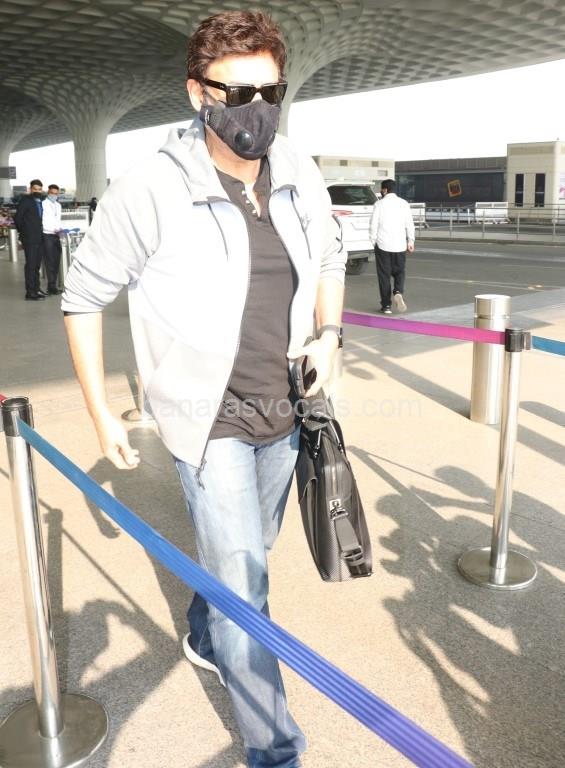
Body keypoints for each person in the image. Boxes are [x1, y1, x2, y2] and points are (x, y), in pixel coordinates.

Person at [61, 10, 345, 768]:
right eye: (237, 93)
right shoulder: (150, 187)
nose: (257, 110)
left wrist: (329, 333)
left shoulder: (296, 168)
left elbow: (329, 255)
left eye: (270, 92)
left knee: (243, 559)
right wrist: (101, 414)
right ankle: (275, 751)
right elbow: (82, 297)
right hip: (207, 418)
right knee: (246, 590)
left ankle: (203, 630)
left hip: (286, 408)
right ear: (198, 94)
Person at [369, 178, 415, 314]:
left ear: (384, 190)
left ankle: (386, 306)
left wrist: (373, 241)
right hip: (400, 245)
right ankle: (398, 291)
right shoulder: (404, 204)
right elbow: (409, 224)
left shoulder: (379, 204)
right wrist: (410, 241)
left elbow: (373, 224)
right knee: (400, 271)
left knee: (384, 276)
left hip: (383, 245)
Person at [13, 178, 46, 300]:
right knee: (31, 265)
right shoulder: (25, 201)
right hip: (30, 239)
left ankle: (36, 289)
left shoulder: (41, 201)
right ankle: (30, 293)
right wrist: (24, 232)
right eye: (35, 189)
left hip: (40, 237)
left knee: (37, 265)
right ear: (30, 189)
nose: (37, 191)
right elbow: (18, 218)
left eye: (39, 189)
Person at [41, 184, 63, 295]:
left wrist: (60, 230)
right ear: (48, 193)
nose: (54, 195)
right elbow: (43, 221)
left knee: (56, 261)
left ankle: (53, 285)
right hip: (47, 235)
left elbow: (57, 220)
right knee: (49, 261)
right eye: (52, 193)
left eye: (56, 193)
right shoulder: (43, 204)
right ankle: (51, 286)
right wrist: (53, 229)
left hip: (56, 236)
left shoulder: (58, 205)